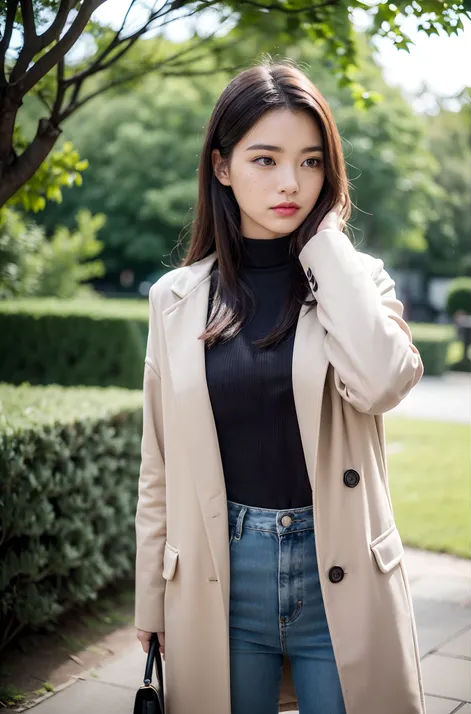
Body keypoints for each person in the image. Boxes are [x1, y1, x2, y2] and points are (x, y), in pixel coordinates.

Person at [134, 59, 426, 714]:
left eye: (311, 161)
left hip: (341, 568)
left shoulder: (358, 282)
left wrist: (323, 246)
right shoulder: (174, 301)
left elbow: (383, 382)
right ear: (221, 166)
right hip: (220, 577)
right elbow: (158, 467)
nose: (291, 182)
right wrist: (151, 598)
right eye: (265, 160)